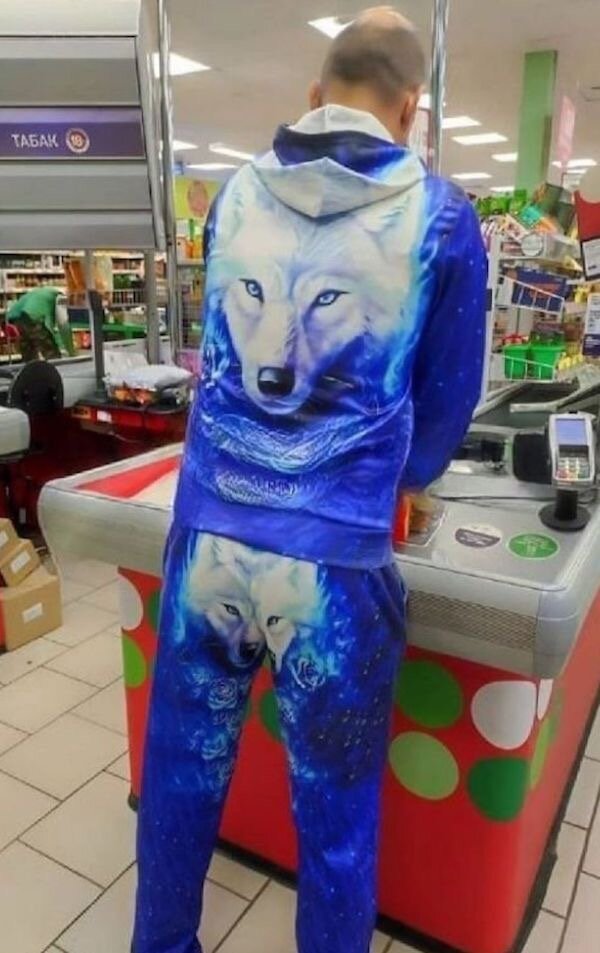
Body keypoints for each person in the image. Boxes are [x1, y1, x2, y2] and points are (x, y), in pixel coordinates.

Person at [132, 8, 487, 953]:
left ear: (314, 95)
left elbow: (218, 351)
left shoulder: (235, 195)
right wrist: (398, 477)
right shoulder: (443, 218)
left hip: (211, 534)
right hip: (332, 561)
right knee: (334, 814)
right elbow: (448, 400)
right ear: (410, 110)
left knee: (180, 774)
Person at [7, 285, 75, 362]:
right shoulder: (60, 297)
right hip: (33, 317)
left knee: (29, 351)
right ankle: (54, 367)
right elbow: (62, 325)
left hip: (15, 319)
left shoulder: (44, 292)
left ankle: (30, 368)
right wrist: (71, 351)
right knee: (50, 350)